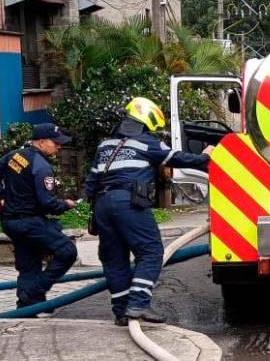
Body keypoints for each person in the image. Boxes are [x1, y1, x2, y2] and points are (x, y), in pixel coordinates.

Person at [85, 97, 212, 326]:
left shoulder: (104, 147)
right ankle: (138, 303)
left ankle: (121, 312)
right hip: (128, 203)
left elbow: (90, 183)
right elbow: (179, 159)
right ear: (146, 123)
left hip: (102, 204)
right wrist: (206, 157)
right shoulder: (148, 143)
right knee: (151, 252)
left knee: (114, 259)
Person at [0, 123, 78, 310]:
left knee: (29, 263)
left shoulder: (16, 156)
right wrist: (66, 205)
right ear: (42, 142)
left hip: (10, 222)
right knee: (67, 252)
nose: (59, 147)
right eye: (56, 143)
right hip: (29, 222)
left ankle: (28, 309)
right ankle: (35, 291)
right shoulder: (42, 167)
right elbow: (48, 204)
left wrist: (0, 195)